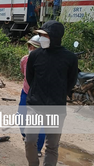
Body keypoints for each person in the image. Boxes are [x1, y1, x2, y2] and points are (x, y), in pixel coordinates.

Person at [24, 20, 78, 166]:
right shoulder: (35, 56)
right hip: (35, 105)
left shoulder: (70, 58)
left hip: (56, 107)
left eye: (44, 35)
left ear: (54, 37)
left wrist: (58, 94)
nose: (41, 39)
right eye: (40, 35)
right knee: (29, 141)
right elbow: (30, 78)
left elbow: (71, 82)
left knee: (52, 146)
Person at [18, 35, 45, 157]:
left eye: (36, 47)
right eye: (31, 47)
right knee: (21, 118)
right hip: (26, 93)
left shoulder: (47, 63)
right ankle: (27, 136)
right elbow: (24, 73)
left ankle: (37, 149)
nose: (32, 49)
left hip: (41, 96)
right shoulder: (25, 60)